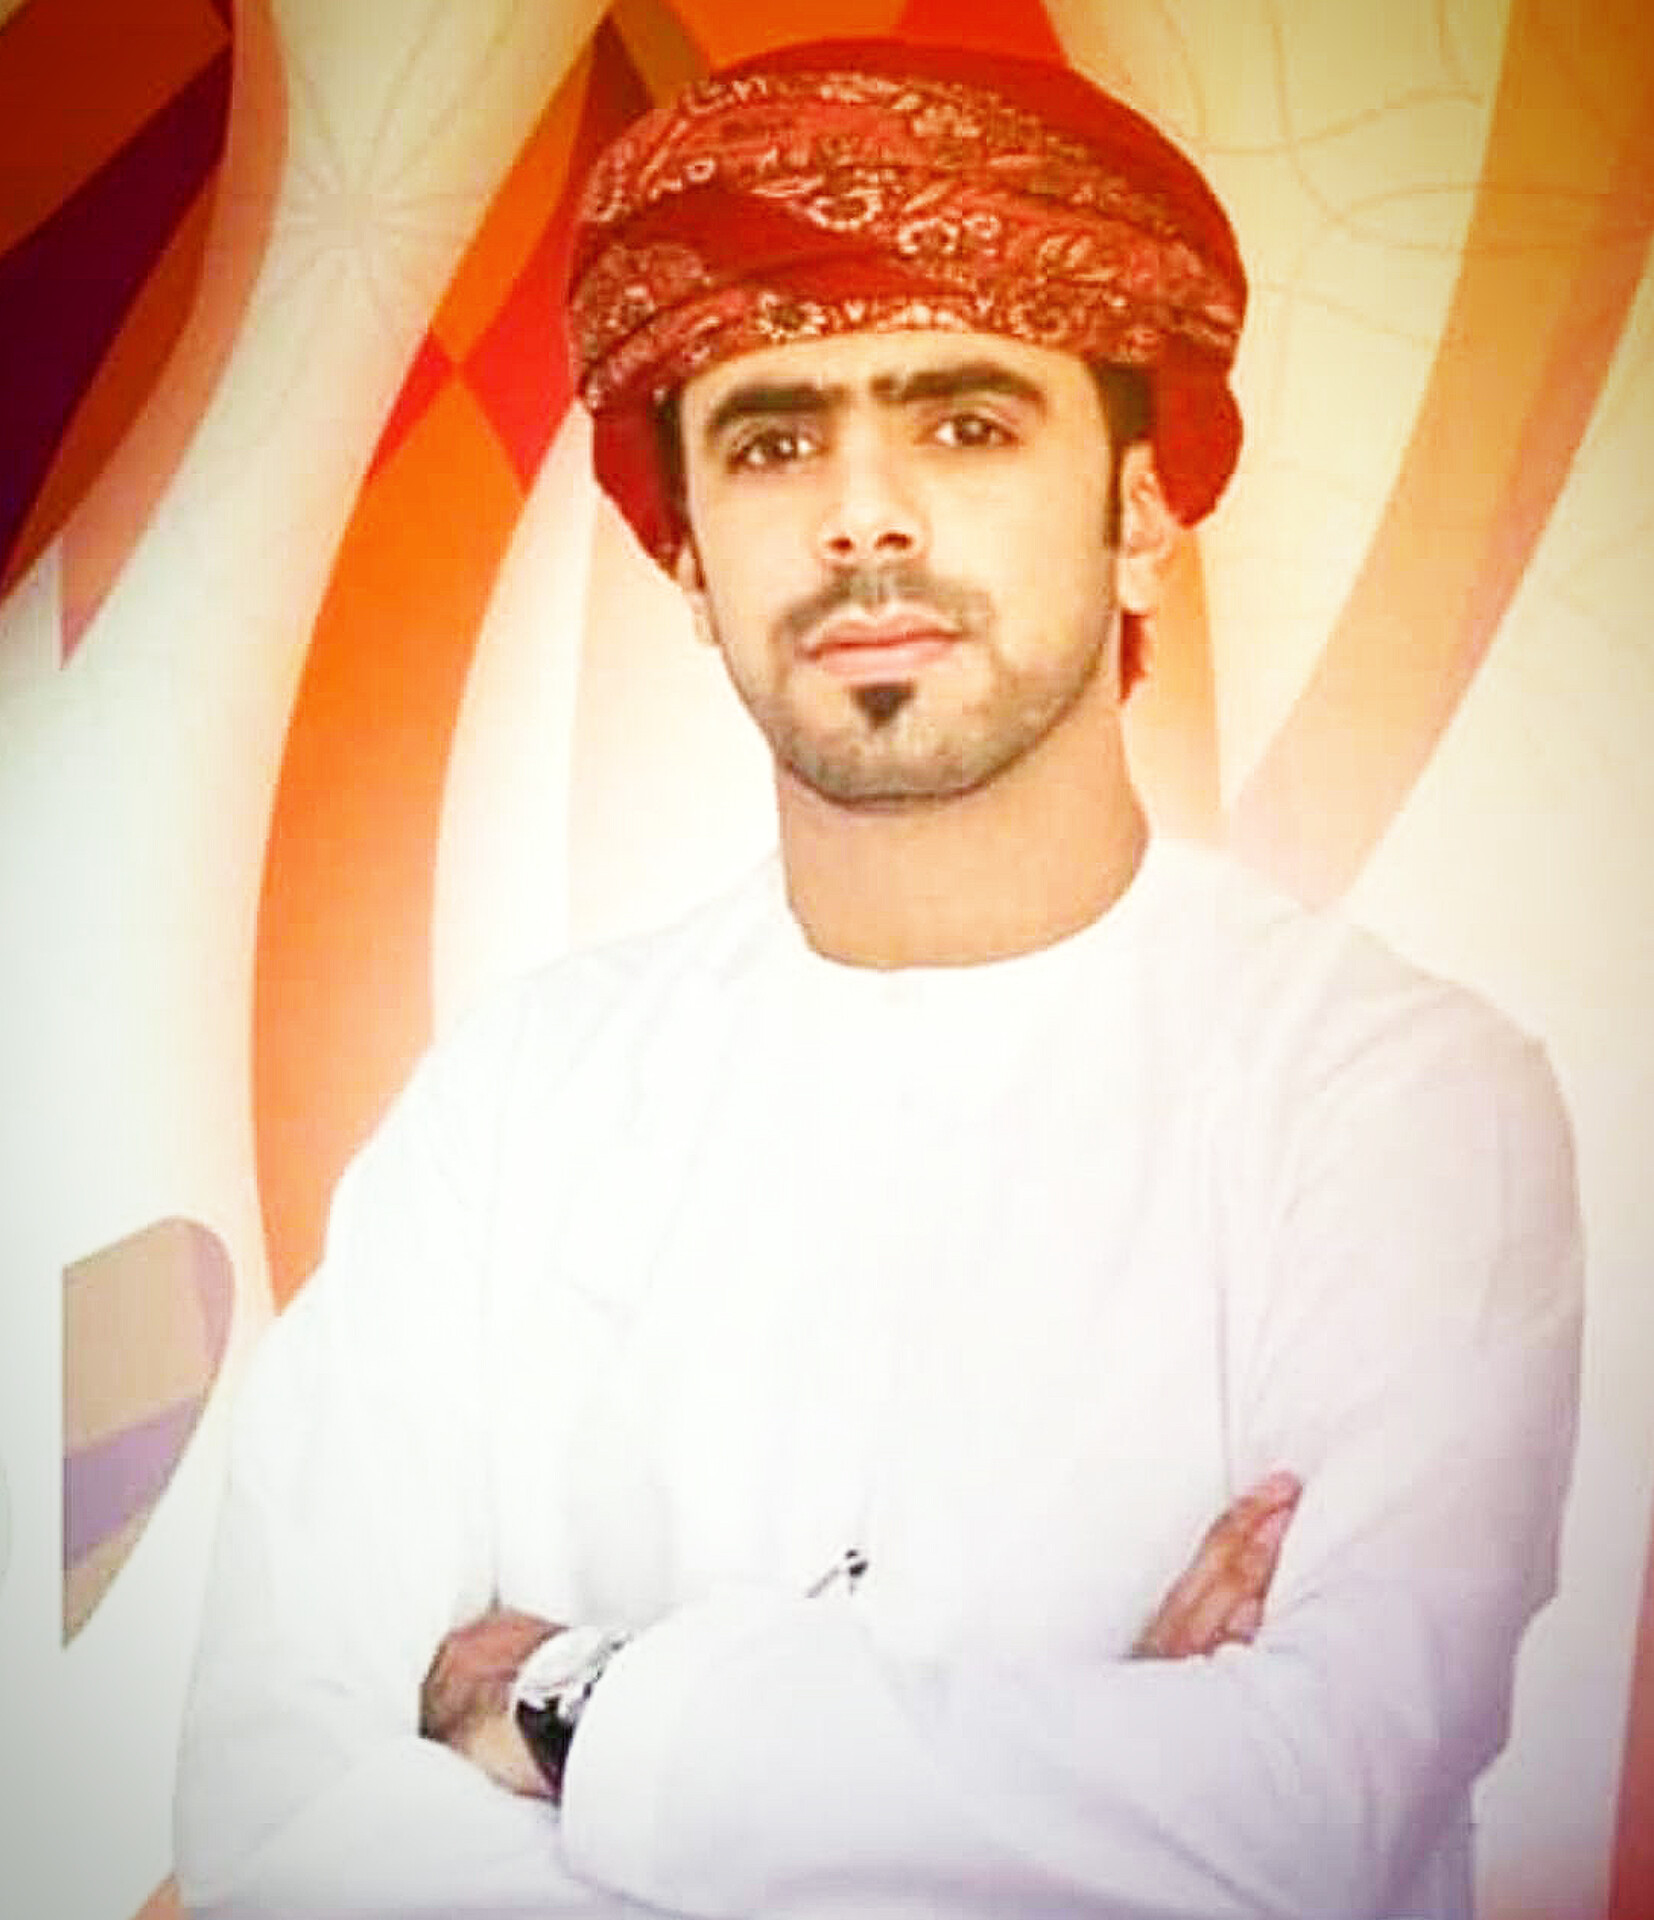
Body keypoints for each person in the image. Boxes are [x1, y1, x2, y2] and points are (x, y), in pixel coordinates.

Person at [174, 38, 1582, 1920]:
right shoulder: (516, 1105)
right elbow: (274, 1826)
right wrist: (1089, 1796)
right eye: (772, 441)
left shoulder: (1394, 1101)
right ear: (687, 559)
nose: (863, 516)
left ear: (1139, 512)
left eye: (966, 423)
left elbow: (1310, 1818)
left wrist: (580, 1706)